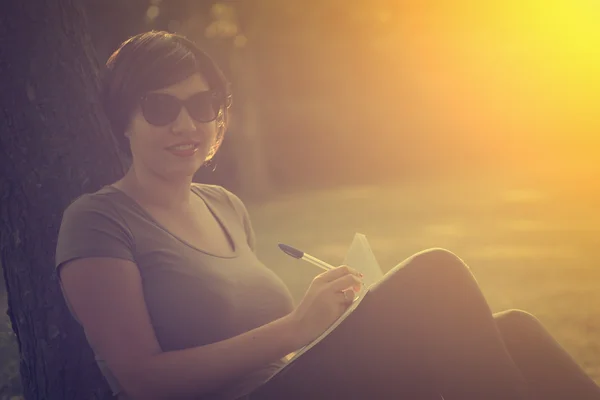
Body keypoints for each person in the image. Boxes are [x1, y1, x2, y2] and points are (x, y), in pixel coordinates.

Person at [55, 31, 600, 400]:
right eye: (160, 107)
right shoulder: (99, 220)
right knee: (436, 276)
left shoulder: (224, 206)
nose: (185, 125)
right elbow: (141, 380)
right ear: (123, 117)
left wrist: (334, 324)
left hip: (294, 379)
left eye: (201, 107)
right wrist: (295, 326)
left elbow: (266, 344)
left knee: (516, 332)